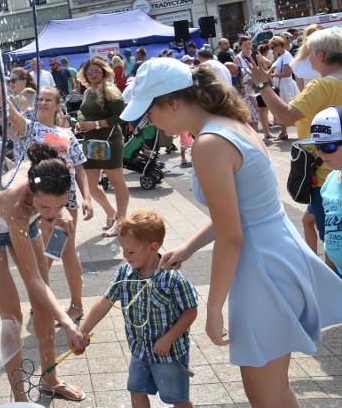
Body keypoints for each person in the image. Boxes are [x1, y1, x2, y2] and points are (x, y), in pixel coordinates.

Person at [124, 57, 342, 408]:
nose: (148, 120)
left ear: (172, 103)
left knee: (264, 395)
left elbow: (232, 234)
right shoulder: (232, 123)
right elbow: (243, 211)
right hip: (280, 254)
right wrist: (190, 247)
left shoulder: (208, 144)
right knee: (276, 389)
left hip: (261, 269)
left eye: (148, 111)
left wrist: (213, 308)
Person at [0, 142, 86, 402]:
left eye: (60, 205)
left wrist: (57, 213)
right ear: (33, 192)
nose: (52, 214)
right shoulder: (15, 200)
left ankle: (50, 379)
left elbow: (52, 202)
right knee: (12, 317)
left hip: (25, 222)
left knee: (43, 306)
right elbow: (32, 279)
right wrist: (67, 323)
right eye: (45, 208)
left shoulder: (50, 173)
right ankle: (20, 399)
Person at [0, 69, 93, 324]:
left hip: (64, 202)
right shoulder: (30, 128)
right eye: (40, 99)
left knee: (65, 251)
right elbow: (12, 115)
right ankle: (43, 301)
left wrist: (87, 198)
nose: (42, 103)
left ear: (58, 107)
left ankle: (76, 305)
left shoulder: (67, 135)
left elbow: (80, 168)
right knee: (43, 255)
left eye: (49, 100)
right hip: (34, 202)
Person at [79, 210, 198, 408]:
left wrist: (168, 338)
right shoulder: (126, 272)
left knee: (177, 399)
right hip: (139, 350)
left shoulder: (172, 278)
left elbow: (191, 312)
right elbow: (106, 301)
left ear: (153, 248)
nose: (125, 255)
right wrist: (82, 330)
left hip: (168, 354)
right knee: (136, 389)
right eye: (123, 249)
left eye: (130, 251)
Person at [245, 27, 342, 268]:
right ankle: (314, 266)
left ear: (320, 55)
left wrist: (263, 84)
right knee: (309, 219)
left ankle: (330, 285)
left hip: (326, 175)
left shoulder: (323, 85)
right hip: (334, 168)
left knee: (332, 243)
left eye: (309, 52)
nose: (307, 58)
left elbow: (284, 116)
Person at [77, 57, 129, 237]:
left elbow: (122, 116)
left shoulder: (109, 90)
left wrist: (97, 124)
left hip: (110, 141)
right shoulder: (88, 91)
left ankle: (121, 222)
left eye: (96, 71)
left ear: (104, 72)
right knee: (90, 187)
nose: (92, 75)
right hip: (91, 143)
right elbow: (87, 114)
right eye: (89, 72)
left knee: (117, 182)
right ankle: (110, 212)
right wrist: (81, 124)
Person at [302, 106, 342, 276]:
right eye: (317, 147)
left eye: (329, 147)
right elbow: (330, 240)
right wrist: (330, 277)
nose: (320, 154)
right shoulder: (330, 181)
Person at [269, 35, 300, 140]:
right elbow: (272, 67)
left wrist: (272, 75)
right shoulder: (281, 56)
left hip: (286, 86)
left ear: (279, 46)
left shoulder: (286, 56)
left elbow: (287, 73)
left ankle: (288, 132)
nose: (272, 50)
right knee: (282, 109)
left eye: (273, 47)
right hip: (281, 85)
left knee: (288, 109)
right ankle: (283, 132)